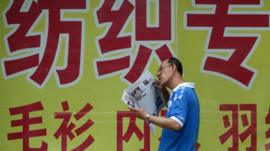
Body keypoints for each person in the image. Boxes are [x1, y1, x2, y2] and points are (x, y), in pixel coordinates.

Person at [130, 57, 200, 151]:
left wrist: (147, 116)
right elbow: (174, 109)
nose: (158, 73)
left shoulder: (181, 92)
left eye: (161, 69)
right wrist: (163, 90)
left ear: (173, 67)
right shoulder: (182, 92)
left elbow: (176, 123)